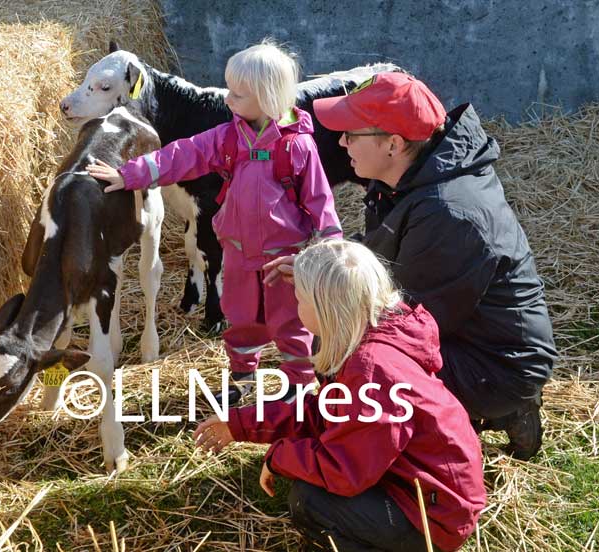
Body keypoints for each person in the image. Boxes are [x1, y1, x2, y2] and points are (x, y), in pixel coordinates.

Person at [266, 72, 557, 460]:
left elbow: (412, 326)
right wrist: (315, 267)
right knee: (334, 329)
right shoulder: (407, 179)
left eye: (352, 134)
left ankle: (481, 415)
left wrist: (329, 302)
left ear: (393, 143)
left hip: (495, 363)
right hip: (461, 331)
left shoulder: (450, 213)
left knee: (342, 344)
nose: (340, 142)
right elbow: (383, 257)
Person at [87, 40, 342, 405]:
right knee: (240, 320)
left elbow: (320, 200)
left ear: (268, 99)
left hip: (284, 260)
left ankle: (297, 389)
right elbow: (183, 154)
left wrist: (332, 244)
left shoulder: (297, 147)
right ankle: (242, 379)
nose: (227, 99)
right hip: (237, 251)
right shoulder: (227, 137)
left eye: (237, 94)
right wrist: (129, 175)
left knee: (291, 324)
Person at [194, 239, 486, 552]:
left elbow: (345, 471)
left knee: (311, 502)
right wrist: (239, 424)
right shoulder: (375, 336)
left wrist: (279, 458)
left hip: (433, 519)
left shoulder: (372, 371)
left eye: (301, 299)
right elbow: (323, 412)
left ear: (325, 309)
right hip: (424, 489)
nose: (296, 306)